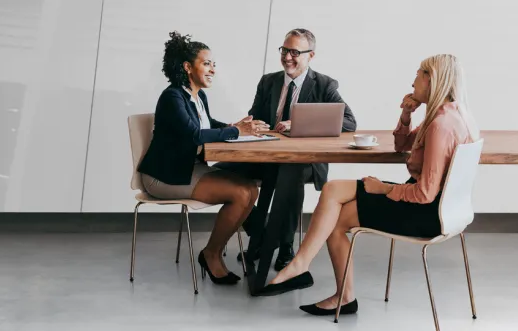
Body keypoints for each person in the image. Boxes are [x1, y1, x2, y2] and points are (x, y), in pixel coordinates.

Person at [261, 54, 480, 317]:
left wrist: (384, 189)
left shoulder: (441, 126)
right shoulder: (452, 114)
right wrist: (406, 113)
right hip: (444, 208)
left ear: (432, 80)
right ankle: (301, 264)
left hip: (425, 212)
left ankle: (341, 294)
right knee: (332, 190)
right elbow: (401, 145)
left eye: (419, 73)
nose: (413, 81)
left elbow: (424, 193)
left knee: (338, 219)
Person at [215, 28, 356, 271]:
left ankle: (286, 247)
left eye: (295, 52)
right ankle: (264, 235)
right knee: (218, 173)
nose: (287, 57)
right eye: (284, 50)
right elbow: (256, 116)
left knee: (291, 176)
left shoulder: (324, 85)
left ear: (310, 56)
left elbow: (349, 123)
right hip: (266, 155)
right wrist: (248, 125)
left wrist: (300, 123)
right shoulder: (268, 81)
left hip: (305, 161)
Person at [137, 31, 271, 285]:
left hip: (188, 169)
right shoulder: (173, 97)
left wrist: (236, 126)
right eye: (206, 63)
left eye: (214, 65)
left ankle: (226, 248)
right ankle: (211, 254)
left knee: (251, 188)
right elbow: (195, 135)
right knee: (242, 194)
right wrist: (235, 131)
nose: (213, 70)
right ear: (188, 67)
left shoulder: (198, 96)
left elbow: (208, 125)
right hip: (164, 176)